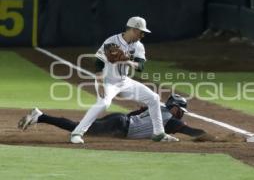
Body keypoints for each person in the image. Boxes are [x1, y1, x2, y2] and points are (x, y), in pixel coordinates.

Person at [70, 16, 178, 144]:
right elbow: (98, 63)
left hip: (125, 82)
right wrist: (99, 83)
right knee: (104, 103)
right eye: (141, 32)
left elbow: (141, 66)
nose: (142, 35)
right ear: (133, 30)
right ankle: (77, 133)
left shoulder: (138, 46)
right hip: (107, 81)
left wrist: (129, 62)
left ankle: (159, 134)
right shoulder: (111, 42)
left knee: (154, 98)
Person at [18, 94, 221, 142]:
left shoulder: (157, 108)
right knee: (77, 127)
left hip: (120, 119)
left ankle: (41, 116)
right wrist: (217, 138)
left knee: (81, 126)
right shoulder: (171, 120)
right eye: (181, 111)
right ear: (175, 108)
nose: (181, 115)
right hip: (122, 125)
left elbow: (133, 114)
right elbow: (193, 132)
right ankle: (41, 116)